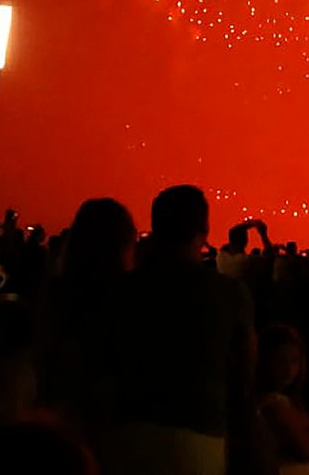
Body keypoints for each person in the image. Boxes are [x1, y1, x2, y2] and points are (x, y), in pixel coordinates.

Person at [103, 185, 257, 475]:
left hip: (124, 433)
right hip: (198, 437)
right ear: (204, 229)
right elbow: (246, 373)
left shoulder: (121, 290)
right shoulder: (229, 293)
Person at [34, 197, 136, 444]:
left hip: (51, 425)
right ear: (124, 245)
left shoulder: (53, 293)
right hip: (109, 431)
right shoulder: (127, 299)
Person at [255, 324, 309, 475]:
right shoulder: (273, 403)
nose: (289, 369)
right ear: (265, 360)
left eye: (294, 361)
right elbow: (308, 451)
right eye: (281, 360)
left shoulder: (287, 402)